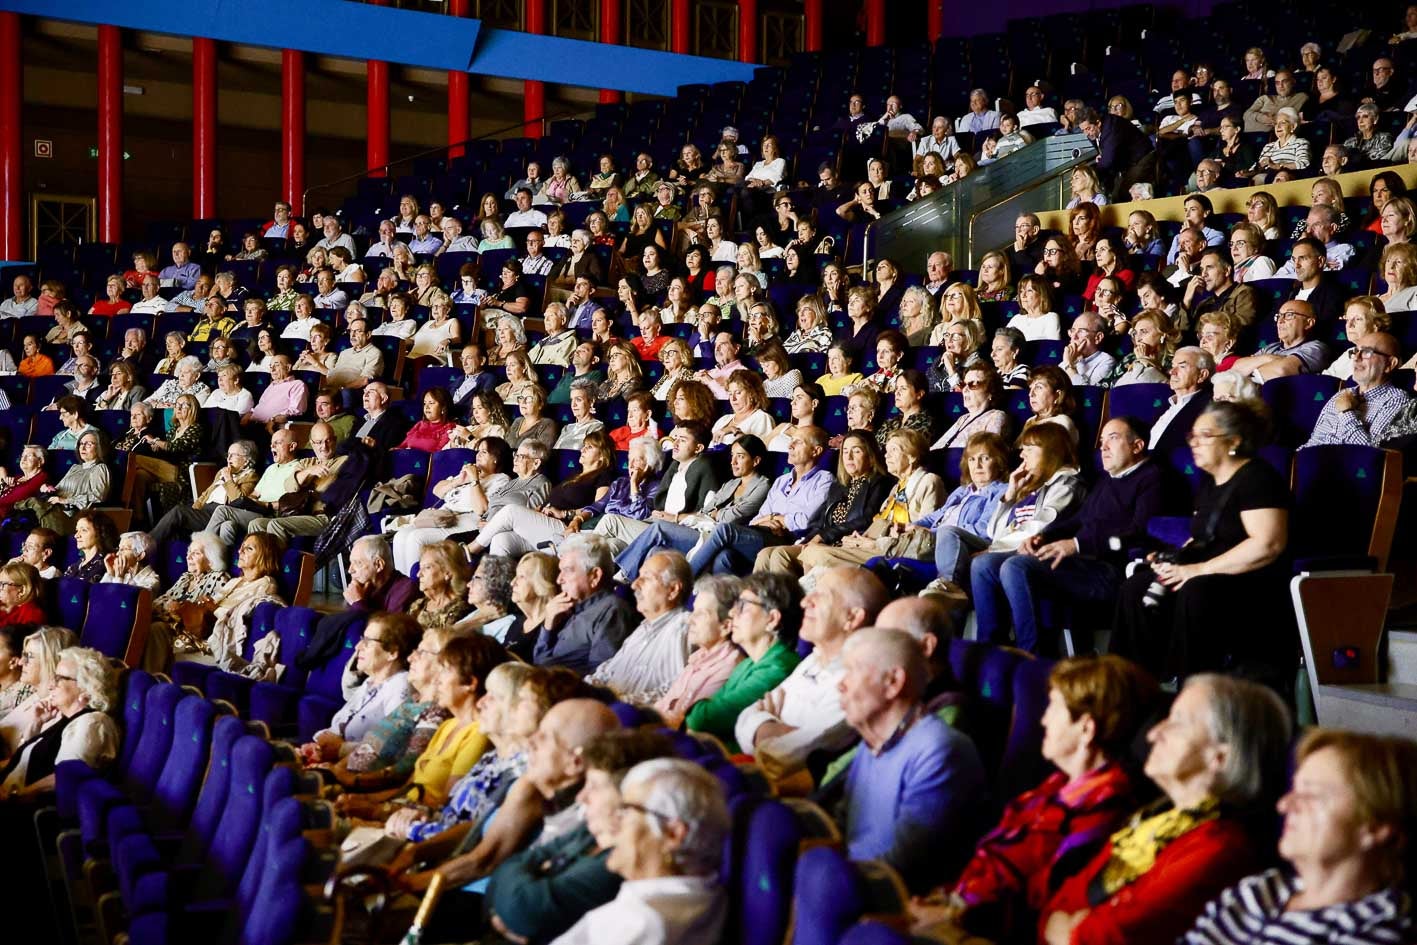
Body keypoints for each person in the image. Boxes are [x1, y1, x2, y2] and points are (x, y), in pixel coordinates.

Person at [912, 655, 1159, 942]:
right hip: (958, 912)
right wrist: (943, 901)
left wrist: (951, 915)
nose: (1042, 719)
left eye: (1054, 709)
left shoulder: (1105, 807)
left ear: (1086, 729)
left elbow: (1040, 903)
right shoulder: (1056, 785)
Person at [1040, 674, 1292, 945]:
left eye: (1178, 722)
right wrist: (1062, 924)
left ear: (1219, 757)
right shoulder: (1155, 818)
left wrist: (1066, 927)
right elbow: (1056, 905)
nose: (1154, 733)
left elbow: (1101, 938)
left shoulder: (1218, 849)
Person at [1181, 728, 1417, 944]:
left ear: (1376, 827)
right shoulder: (1259, 890)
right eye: (1294, 790)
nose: (1284, 805)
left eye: (1311, 794)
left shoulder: (1379, 928)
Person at [1112, 401, 1291, 681]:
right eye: (1192, 436)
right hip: (1207, 572)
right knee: (1136, 588)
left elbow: (1268, 544)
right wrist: (1171, 561)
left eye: (1205, 436)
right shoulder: (1210, 483)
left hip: (1251, 581)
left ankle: (1192, 690)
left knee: (1195, 590)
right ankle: (1133, 686)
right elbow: (1203, 538)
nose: (1194, 443)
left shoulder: (1259, 478)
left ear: (1234, 441)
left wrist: (1196, 570)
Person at [974, 419, 1165, 654]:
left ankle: (1032, 656)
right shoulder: (1107, 481)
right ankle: (989, 651)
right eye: (1102, 440)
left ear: (1137, 446)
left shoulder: (1151, 478)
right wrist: (1043, 537)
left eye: (1112, 438)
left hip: (1110, 569)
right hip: (1080, 563)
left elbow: (1140, 532)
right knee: (983, 564)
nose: (1103, 447)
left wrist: (1076, 544)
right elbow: (1077, 521)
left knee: (1017, 566)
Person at [833, 627, 988, 894]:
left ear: (893, 682)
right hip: (854, 885)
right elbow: (843, 825)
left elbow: (903, 868)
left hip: (895, 907)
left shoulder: (940, 750)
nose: (840, 684)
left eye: (853, 671)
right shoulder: (873, 741)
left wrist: (832, 880)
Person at [548, 758, 730, 945]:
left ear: (673, 834)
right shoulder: (697, 897)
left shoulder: (645, 924)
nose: (613, 825)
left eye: (625, 812)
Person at [684, 572, 802, 749]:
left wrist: (696, 717)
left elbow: (702, 719)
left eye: (742, 606)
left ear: (772, 619)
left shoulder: (778, 669)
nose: (732, 613)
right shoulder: (747, 664)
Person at [0, 646, 118, 800]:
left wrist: (15, 797)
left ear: (86, 688)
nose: (50, 686)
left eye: (59, 678)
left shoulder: (92, 723)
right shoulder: (66, 719)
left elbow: (64, 778)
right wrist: (36, 725)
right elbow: (22, 763)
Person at [302, 611, 420, 763]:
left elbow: (393, 746)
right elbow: (338, 729)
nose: (358, 647)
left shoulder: (401, 686)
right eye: (361, 639)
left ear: (392, 653)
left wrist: (341, 748)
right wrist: (318, 745)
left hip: (356, 772)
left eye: (368, 642)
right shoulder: (370, 681)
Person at [585, 551, 692, 704]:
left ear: (673, 590)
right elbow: (608, 671)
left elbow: (673, 692)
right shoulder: (644, 628)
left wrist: (618, 703)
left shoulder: (681, 627)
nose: (635, 585)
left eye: (646, 578)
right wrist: (582, 689)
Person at [531, 534, 637, 675]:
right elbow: (538, 661)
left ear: (594, 576)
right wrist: (548, 627)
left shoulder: (612, 611)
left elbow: (600, 678)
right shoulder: (567, 607)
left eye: (567, 571)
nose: (559, 579)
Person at [1304, 331, 1410, 446]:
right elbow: (1312, 441)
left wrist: (1346, 413)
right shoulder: (1342, 394)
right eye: (1355, 351)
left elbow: (1371, 454)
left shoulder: (1396, 400)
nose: (1356, 358)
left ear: (1390, 364)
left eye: (1367, 352)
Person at [1230, 299, 1333, 382]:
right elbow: (1236, 367)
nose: (1280, 321)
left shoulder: (1316, 348)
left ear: (1309, 323)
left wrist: (1248, 371)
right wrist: (1269, 358)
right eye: (1279, 316)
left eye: (1289, 315)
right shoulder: (1271, 348)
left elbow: (1281, 370)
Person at [1060, 312, 1117, 386]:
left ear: (1098, 337)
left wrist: (1069, 366)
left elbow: (1087, 393)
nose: (1074, 336)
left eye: (1081, 331)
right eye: (1073, 330)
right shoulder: (1066, 360)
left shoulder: (1107, 362)